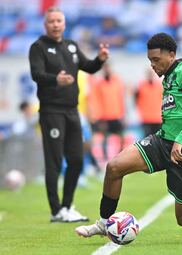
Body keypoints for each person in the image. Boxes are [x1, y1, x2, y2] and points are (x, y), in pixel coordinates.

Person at [75, 32, 182, 242]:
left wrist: (181, 140)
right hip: (162, 141)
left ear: (172, 55)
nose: (153, 65)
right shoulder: (168, 77)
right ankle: (104, 222)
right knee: (114, 167)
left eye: (156, 60)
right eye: (150, 61)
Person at [28, 7, 109, 222]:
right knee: (54, 160)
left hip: (73, 111)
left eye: (59, 21)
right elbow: (36, 74)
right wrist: (56, 79)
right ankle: (56, 211)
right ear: (46, 25)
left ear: (64, 24)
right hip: (51, 110)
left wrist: (100, 59)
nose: (55, 24)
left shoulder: (71, 46)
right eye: (51, 21)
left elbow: (89, 67)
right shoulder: (38, 47)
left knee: (76, 159)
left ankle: (67, 206)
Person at [135, 68, 163, 136]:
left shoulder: (160, 86)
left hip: (158, 118)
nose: (150, 75)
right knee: (146, 140)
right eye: (149, 73)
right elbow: (136, 100)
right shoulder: (141, 86)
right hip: (146, 118)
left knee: (158, 140)